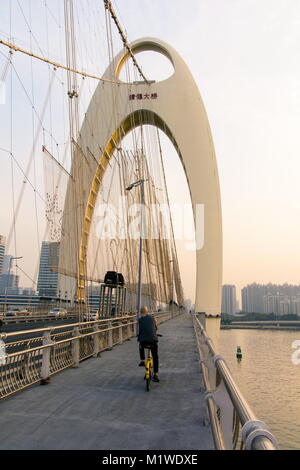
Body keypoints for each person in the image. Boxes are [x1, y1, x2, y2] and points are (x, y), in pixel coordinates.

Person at [137, 306, 160, 382]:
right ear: (147, 312)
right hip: (153, 341)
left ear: (141, 313)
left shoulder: (139, 320)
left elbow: (139, 331)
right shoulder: (153, 318)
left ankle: (142, 360)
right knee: (155, 357)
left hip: (144, 342)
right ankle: (156, 374)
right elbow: (156, 328)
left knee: (140, 345)